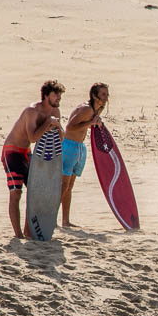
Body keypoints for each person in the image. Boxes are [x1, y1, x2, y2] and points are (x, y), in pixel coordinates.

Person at [2, 80, 65, 238]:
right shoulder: (32, 111)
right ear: (45, 95)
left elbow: (61, 138)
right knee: (16, 193)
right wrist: (48, 123)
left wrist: (57, 126)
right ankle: (18, 235)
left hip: (28, 154)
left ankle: (28, 231)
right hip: (12, 152)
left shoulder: (56, 112)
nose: (59, 98)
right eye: (55, 94)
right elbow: (32, 137)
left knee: (36, 192)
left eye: (60, 95)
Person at [61, 82, 109, 227]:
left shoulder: (98, 108)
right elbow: (69, 127)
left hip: (80, 148)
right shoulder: (86, 109)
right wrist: (90, 123)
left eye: (107, 94)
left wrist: (95, 122)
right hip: (69, 147)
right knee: (63, 186)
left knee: (70, 187)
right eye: (103, 94)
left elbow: (90, 124)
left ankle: (65, 221)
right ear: (94, 95)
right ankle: (51, 218)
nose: (106, 97)